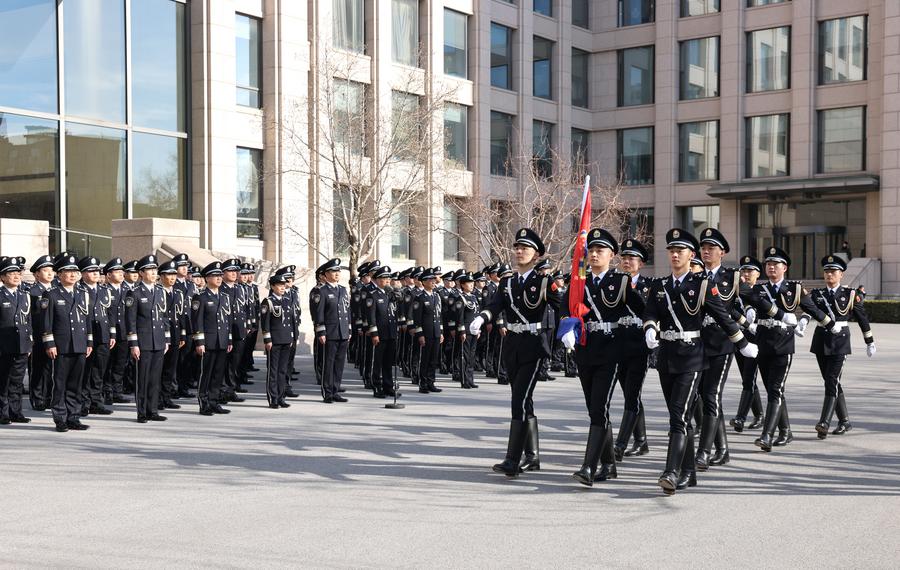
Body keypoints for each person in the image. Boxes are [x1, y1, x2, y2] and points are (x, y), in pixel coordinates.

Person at [642, 229, 757, 495]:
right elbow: (650, 312)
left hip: (693, 356)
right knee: (679, 414)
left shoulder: (702, 285)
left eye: (680, 251)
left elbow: (723, 316)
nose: (674, 255)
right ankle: (689, 472)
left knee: (678, 415)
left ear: (690, 255)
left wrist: (742, 343)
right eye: (671, 250)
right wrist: (649, 327)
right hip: (667, 356)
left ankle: (671, 472)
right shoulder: (660, 286)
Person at [469, 228, 562, 478]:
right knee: (524, 401)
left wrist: (570, 329)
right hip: (512, 346)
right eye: (517, 247)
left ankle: (513, 459)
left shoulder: (543, 282)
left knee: (519, 401)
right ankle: (532, 457)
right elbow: (495, 305)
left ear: (536, 254)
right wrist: (482, 316)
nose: (519, 251)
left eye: (525, 248)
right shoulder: (507, 282)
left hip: (533, 346)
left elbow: (562, 307)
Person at [559, 228, 645, 486]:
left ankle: (588, 467)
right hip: (586, 350)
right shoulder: (578, 282)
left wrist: (651, 327)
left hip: (611, 351)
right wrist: (567, 329)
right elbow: (565, 309)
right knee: (593, 410)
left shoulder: (620, 282)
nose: (594, 254)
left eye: (600, 250)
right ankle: (609, 464)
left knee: (599, 408)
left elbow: (644, 309)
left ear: (611, 255)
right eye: (591, 250)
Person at [800, 255, 875, 439]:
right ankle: (845, 421)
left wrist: (869, 340)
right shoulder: (818, 294)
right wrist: (803, 320)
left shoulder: (850, 294)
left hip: (840, 342)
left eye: (833, 272)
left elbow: (862, 317)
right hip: (821, 341)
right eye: (826, 272)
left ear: (841, 274)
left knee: (832, 380)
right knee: (831, 381)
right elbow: (810, 310)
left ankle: (824, 422)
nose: (829, 275)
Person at [743, 246, 803, 452]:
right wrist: (749, 310)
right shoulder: (759, 289)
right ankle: (786, 431)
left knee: (775, 389)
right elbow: (747, 300)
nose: (771, 267)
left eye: (775, 264)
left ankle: (767, 435)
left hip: (783, 345)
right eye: (768, 264)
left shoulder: (794, 288)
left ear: (784, 267)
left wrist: (804, 319)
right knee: (773, 390)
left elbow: (811, 306)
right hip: (763, 344)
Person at [695, 228, 742, 470]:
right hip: (698, 344)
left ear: (721, 252)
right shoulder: (694, 275)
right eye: (703, 247)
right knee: (705, 397)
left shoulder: (732, 278)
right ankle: (722, 449)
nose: (706, 251)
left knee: (712, 395)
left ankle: (704, 452)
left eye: (711, 248)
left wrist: (749, 318)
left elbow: (748, 300)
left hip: (722, 343)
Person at [613, 238, 654, 460]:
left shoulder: (649, 286)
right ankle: (641, 441)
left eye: (632, 258)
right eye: (625, 258)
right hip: (619, 344)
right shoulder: (615, 283)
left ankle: (620, 444)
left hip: (639, 345)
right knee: (631, 395)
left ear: (641, 263)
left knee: (632, 394)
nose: (627, 262)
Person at [42, 254, 93, 432]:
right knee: (60, 383)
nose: (72, 275)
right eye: (68, 271)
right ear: (59, 274)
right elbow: (47, 322)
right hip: (62, 346)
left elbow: (87, 320)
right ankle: (60, 418)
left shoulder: (82, 294)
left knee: (75, 383)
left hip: (79, 344)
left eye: (75, 272)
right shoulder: (52, 294)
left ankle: (74, 417)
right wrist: (50, 344)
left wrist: (89, 341)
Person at [124, 255, 170, 423]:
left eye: (155, 270)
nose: (153, 273)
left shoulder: (160, 291)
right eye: (150, 270)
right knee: (142, 378)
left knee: (155, 378)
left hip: (158, 340)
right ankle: (142, 411)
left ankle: (153, 409)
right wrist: (133, 344)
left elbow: (164, 316)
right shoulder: (134, 293)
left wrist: (166, 339)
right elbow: (131, 320)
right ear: (141, 273)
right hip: (143, 342)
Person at [192, 261, 233, 415]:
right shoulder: (201, 297)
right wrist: (199, 342)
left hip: (221, 341)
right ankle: (204, 403)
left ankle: (214, 401)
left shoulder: (224, 296)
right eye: (215, 276)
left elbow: (227, 320)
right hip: (208, 342)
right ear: (207, 278)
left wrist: (228, 340)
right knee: (206, 373)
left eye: (219, 275)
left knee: (218, 373)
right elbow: (198, 321)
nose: (218, 278)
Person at [76, 256, 114, 417]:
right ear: (83, 274)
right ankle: (83, 403)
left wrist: (112, 333)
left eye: (97, 271)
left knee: (99, 370)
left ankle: (96, 402)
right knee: (85, 371)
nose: (96, 274)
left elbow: (110, 313)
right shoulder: (79, 291)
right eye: (91, 271)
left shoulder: (105, 290)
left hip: (103, 334)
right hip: (85, 335)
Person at [731, 255, 765, 432]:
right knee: (747, 378)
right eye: (743, 270)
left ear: (758, 274)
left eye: (749, 270)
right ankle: (759, 415)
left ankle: (740, 417)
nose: (745, 273)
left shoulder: (761, 292)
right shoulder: (736, 292)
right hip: (740, 338)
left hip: (757, 339)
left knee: (749, 378)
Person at [0, 257, 33, 424]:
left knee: (17, 380)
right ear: (2, 277)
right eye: (10, 273)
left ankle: (16, 411)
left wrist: (30, 342)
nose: (15, 276)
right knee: (3, 379)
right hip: (3, 345)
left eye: (17, 273)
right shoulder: (0, 295)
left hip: (22, 343)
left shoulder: (24, 295)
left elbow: (28, 320)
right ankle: (2, 413)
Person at [314, 258, 351, 403]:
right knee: (328, 363)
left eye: (338, 271)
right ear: (326, 274)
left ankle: (336, 390)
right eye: (333, 271)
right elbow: (319, 314)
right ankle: (327, 392)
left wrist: (349, 329)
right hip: (330, 332)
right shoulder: (322, 291)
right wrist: (321, 332)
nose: (336, 274)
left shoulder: (342, 290)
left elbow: (346, 311)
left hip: (342, 332)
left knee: (339, 363)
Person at [366, 265, 402, 398]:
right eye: (384, 278)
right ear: (377, 279)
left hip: (391, 332)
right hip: (380, 334)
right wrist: (374, 333)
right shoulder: (373, 295)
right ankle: (376, 386)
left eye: (388, 278)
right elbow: (371, 316)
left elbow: (395, 312)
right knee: (377, 362)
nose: (387, 280)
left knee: (388, 362)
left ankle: (388, 386)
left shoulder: (390, 294)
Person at [261, 272, 295, 408]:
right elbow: (265, 323)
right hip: (274, 340)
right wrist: (267, 339)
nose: (282, 287)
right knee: (273, 370)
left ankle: (281, 397)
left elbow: (290, 321)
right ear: (273, 286)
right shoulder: (268, 302)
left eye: (283, 285)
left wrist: (291, 337)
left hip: (286, 339)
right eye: (279, 285)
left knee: (283, 370)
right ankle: (273, 398)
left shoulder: (287, 300)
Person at [27, 255, 55, 411]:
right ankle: (37, 398)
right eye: (45, 270)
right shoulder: (32, 291)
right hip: (37, 335)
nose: (50, 274)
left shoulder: (57, 291)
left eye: (51, 270)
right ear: (37, 274)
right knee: (38, 368)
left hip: (52, 336)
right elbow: (29, 316)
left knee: (50, 368)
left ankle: (49, 397)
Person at [158, 260, 186, 411]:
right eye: (169, 274)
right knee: (159, 369)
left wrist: (182, 334)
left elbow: (180, 315)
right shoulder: (157, 291)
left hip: (175, 334)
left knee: (170, 368)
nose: (172, 277)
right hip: (160, 334)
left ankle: (166, 397)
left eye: (174, 274)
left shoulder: (178, 293)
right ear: (161, 276)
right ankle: (156, 399)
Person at [411, 268, 444, 394]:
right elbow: (417, 319)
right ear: (423, 282)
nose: (433, 282)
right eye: (430, 280)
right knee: (424, 359)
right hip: (426, 333)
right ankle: (423, 383)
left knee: (433, 360)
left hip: (435, 332)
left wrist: (441, 332)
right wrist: (420, 334)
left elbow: (439, 316)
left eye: (434, 280)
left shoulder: (436, 296)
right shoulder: (419, 297)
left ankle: (431, 382)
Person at [453, 272, 481, 390]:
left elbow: (477, 314)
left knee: (471, 356)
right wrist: (462, 331)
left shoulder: (473, 297)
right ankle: (464, 380)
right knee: (464, 355)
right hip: (466, 330)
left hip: (474, 330)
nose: (472, 285)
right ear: (463, 285)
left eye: (472, 283)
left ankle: (470, 379)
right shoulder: (461, 298)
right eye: (469, 283)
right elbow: (459, 317)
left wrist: (478, 329)